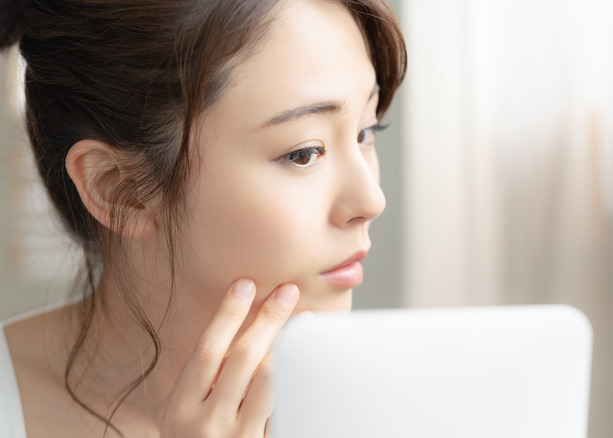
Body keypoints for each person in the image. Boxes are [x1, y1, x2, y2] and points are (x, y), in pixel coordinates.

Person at [0, 0, 406, 436]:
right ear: (121, 190)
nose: (371, 199)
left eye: (366, 132)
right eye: (303, 153)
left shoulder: (408, 405)